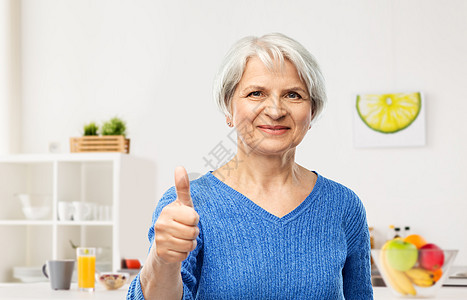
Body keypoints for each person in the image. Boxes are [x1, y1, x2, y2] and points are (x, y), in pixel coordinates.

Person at [127, 33, 373, 299]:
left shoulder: (343, 205)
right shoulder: (189, 206)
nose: (276, 110)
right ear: (229, 109)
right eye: (256, 93)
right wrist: (162, 260)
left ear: (311, 112)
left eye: (293, 95)